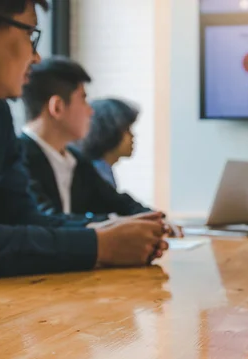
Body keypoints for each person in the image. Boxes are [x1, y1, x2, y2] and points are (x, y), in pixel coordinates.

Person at [0, 0, 168, 277]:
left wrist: (104, 231)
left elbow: (24, 218)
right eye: (30, 34)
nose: (36, 57)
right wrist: (99, 245)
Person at [19, 57, 179, 231]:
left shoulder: (75, 159)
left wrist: (154, 219)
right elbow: (46, 220)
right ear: (57, 107)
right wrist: (114, 223)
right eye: (83, 99)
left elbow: (116, 202)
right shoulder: (16, 157)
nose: (91, 110)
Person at [77, 98, 138, 189]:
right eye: (127, 130)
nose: (132, 136)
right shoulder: (97, 176)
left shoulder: (103, 170)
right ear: (109, 132)